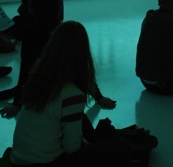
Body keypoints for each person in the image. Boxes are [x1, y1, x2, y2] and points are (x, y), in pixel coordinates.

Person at [10, 21, 132, 166]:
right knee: (124, 147)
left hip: (19, 158)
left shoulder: (39, 78)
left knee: (79, 118)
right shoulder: (72, 93)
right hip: (47, 162)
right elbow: (71, 148)